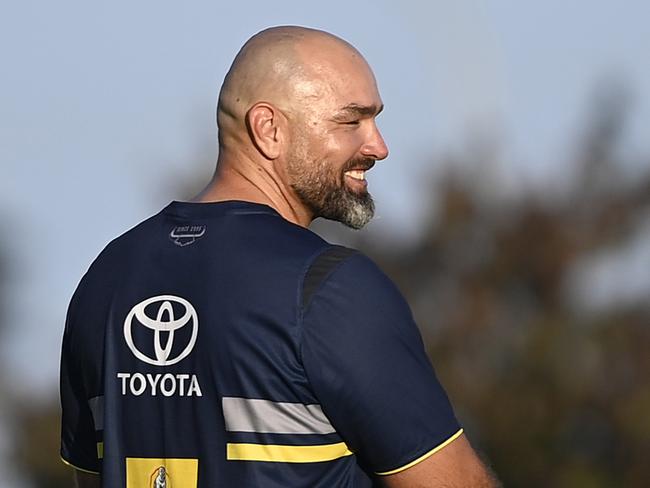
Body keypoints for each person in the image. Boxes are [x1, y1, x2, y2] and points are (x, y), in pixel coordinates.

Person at [60, 26, 499, 487]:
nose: (378, 147)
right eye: (351, 122)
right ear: (269, 129)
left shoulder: (105, 278)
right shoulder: (331, 289)